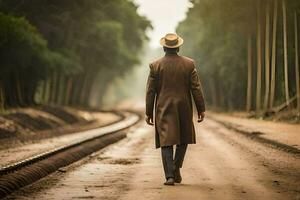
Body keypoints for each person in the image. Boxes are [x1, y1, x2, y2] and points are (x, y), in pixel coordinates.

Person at [145, 33, 206, 186]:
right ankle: (176, 166)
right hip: (183, 107)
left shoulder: (155, 66)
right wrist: (201, 108)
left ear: (164, 47)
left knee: (166, 142)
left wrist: (148, 112)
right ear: (178, 47)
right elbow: (196, 88)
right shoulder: (189, 64)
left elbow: (150, 91)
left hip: (163, 108)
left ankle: (169, 176)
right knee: (183, 138)